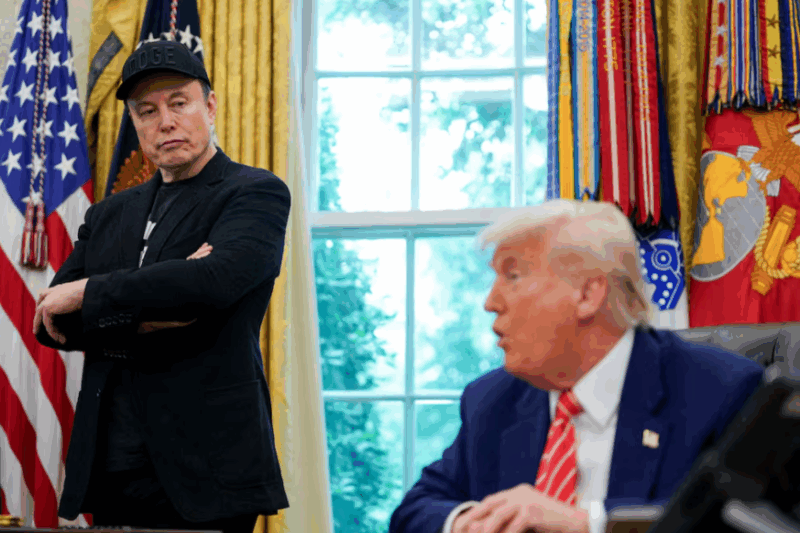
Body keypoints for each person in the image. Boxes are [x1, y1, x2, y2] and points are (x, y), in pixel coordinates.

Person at [33, 41, 289, 533]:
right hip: (113, 461)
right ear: (135, 123)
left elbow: (212, 283)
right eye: (147, 111)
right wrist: (160, 302)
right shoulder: (108, 214)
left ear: (209, 106)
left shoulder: (255, 192)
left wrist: (90, 293)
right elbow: (52, 321)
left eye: (178, 103)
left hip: (210, 467)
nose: (165, 122)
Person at [389, 200, 764, 533]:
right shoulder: (492, 400)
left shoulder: (722, 392)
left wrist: (587, 526)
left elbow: (746, 524)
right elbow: (415, 511)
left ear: (587, 294)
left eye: (513, 277)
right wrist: (469, 523)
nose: (491, 302)